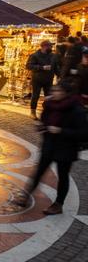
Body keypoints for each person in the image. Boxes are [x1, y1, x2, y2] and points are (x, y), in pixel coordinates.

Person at [17, 81, 87, 215]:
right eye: (54, 90)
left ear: (66, 93)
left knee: (63, 176)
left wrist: (60, 131)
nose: (54, 93)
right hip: (50, 144)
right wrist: (42, 127)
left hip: (66, 148)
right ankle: (26, 195)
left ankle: (58, 204)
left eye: (58, 91)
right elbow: (45, 121)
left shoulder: (77, 109)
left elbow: (84, 133)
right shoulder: (50, 105)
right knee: (39, 171)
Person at [27, 40, 58, 120]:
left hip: (48, 79)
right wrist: (41, 67)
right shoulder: (35, 55)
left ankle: (47, 112)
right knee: (35, 96)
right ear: (44, 46)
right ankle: (33, 112)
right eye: (50, 46)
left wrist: (60, 75)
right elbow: (29, 66)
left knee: (48, 96)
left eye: (51, 46)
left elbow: (55, 67)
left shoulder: (53, 56)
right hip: (37, 79)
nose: (51, 47)